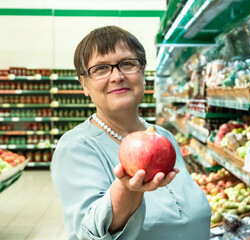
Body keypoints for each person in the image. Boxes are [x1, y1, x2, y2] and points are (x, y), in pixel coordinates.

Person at [51, 25, 211, 240]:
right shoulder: (75, 147)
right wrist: (128, 190)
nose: (116, 76)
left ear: (143, 72)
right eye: (100, 68)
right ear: (84, 84)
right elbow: (87, 234)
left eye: (127, 64)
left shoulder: (164, 137)